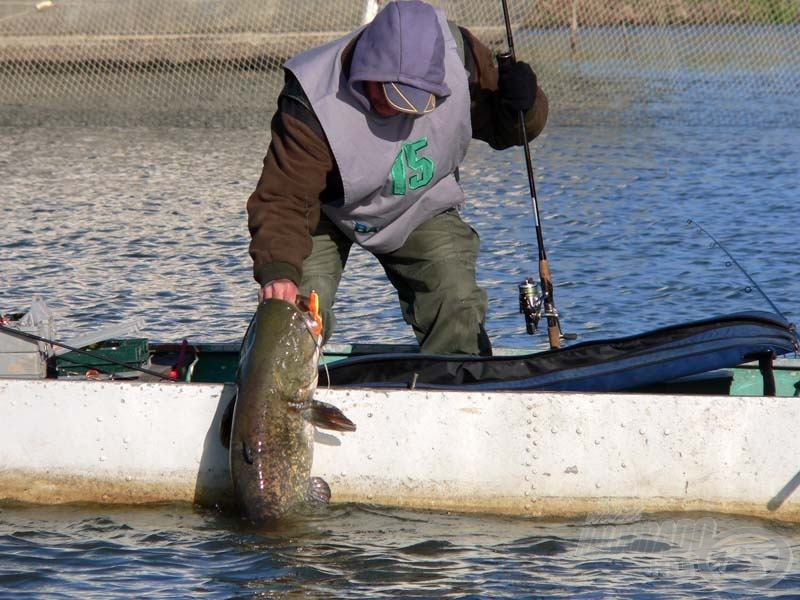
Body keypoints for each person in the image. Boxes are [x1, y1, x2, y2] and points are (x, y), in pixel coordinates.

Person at [247, 0, 548, 356]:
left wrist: (525, 108)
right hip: (324, 211)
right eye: (391, 96)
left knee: (456, 299)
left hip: (419, 204)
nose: (400, 110)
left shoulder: (461, 57)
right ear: (366, 71)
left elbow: (506, 129)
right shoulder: (311, 102)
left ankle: (454, 390)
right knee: (294, 315)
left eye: (416, 100)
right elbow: (285, 199)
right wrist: (279, 272)